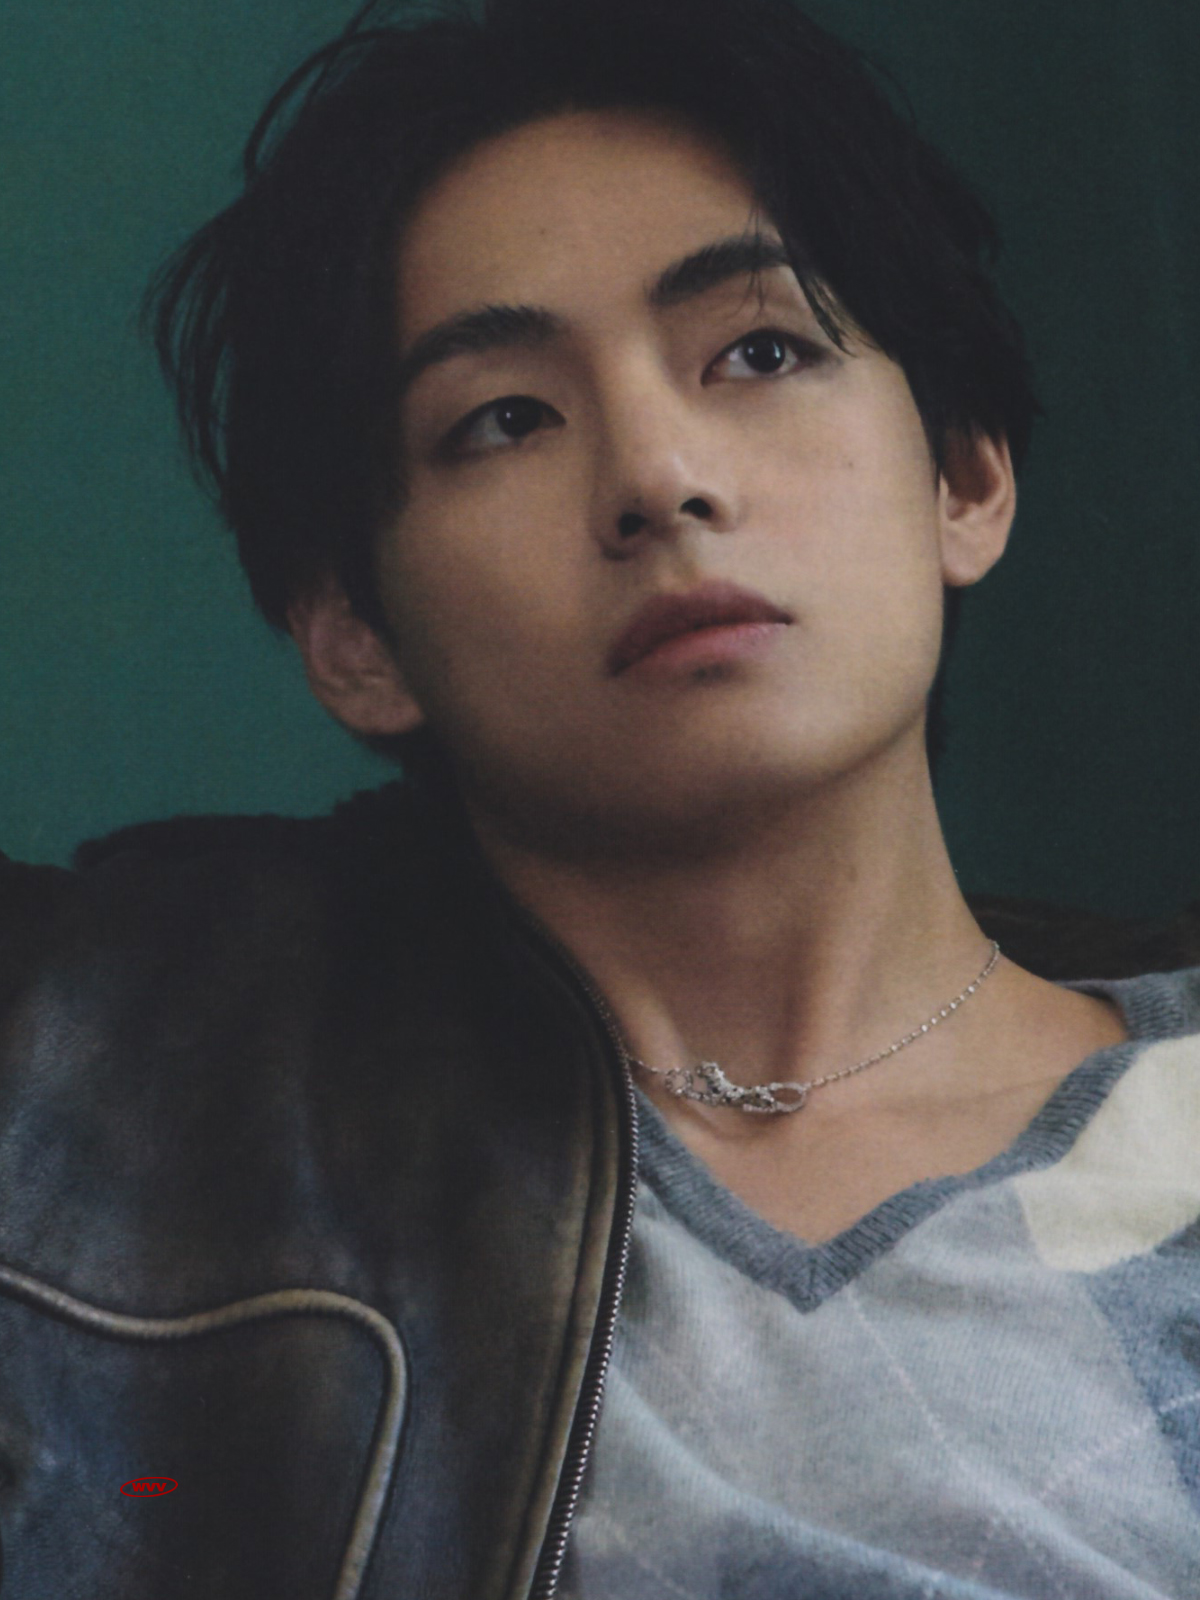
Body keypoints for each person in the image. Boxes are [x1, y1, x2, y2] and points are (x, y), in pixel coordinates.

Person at [0, 0, 1197, 1595]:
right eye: (504, 419)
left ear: (963, 477)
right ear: (356, 638)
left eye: (761, 352)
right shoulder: (98, 1082)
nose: (657, 474)